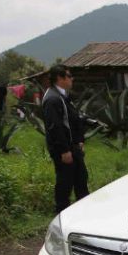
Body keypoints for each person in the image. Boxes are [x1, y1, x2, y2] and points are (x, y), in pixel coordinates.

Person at [42, 64, 89, 213]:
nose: (71, 79)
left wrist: (80, 140)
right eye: (68, 76)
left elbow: (72, 120)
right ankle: (61, 212)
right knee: (65, 182)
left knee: (81, 178)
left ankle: (84, 211)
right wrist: (64, 150)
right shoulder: (52, 99)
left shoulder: (63, 96)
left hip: (73, 146)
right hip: (63, 149)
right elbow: (55, 127)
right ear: (59, 78)